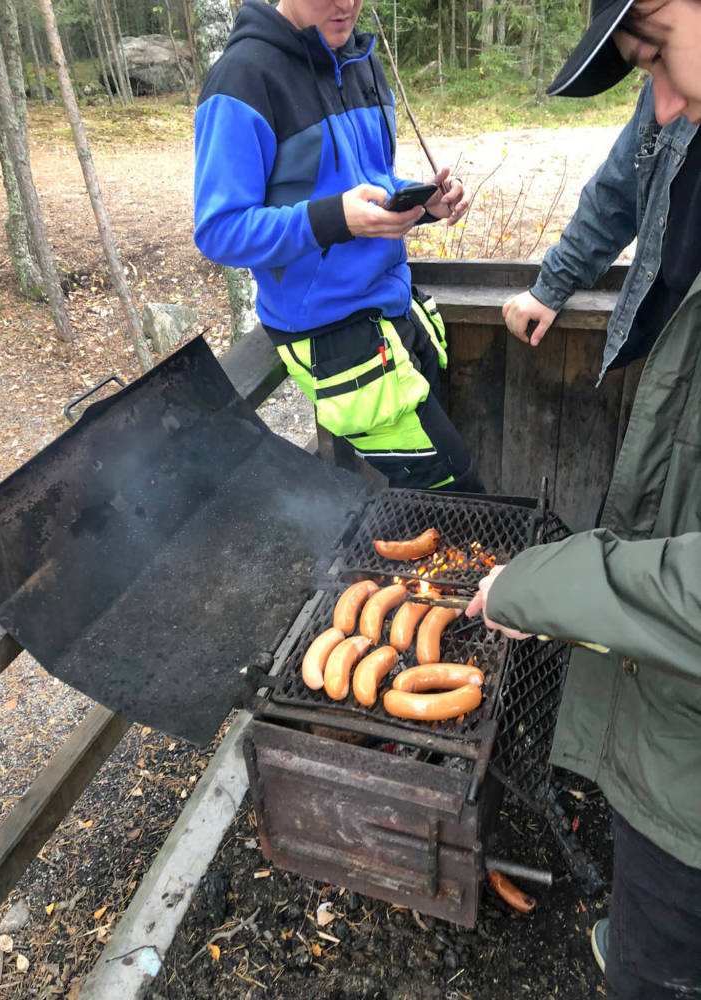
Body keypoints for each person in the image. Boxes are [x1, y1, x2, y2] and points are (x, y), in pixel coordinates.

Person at [466, 0, 701, 996]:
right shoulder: (678, 110)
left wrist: (543, 586)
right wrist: (553, 285)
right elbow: (615, 194)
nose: (658, 98)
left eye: (653, 50)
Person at [193, 0, 484, 493]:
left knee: (428, 495)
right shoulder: (242, 80)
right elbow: (219, 230)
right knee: (458, 494)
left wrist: (422, 199)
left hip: (395, 310)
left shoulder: (359, 58)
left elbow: (366, 179)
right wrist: (335, 219)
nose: (346, 4)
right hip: (330, 333)